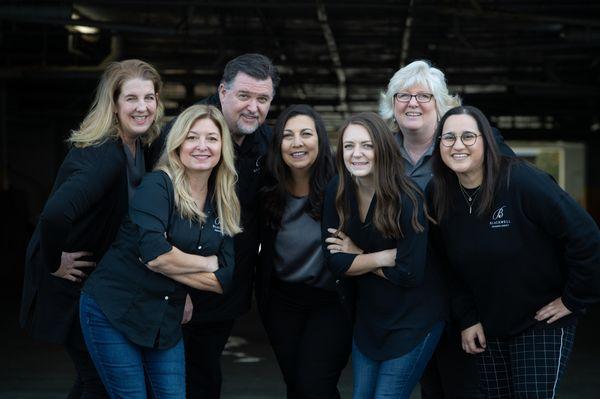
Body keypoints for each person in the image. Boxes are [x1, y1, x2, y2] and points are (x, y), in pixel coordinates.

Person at [428, 105, 600, 398]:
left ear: (486, 142)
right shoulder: (438, 192)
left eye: (468, 136)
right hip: (489, 324)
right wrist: (468, 318)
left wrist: (575, 298)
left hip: (541, 320)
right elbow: (445, 264)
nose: (458, 145)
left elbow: (586, 236)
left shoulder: (522, 181)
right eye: (448, 138)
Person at [19, 59, 164, 398]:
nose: (142, 107)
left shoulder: (138, 146)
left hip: (97, 286)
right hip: (69, 283)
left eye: (149, 97)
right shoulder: (105, 155)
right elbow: (54, 215)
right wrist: (54, 261)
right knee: (98, 380)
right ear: (113, 105)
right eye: (131, 98)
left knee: (93, 380)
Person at [79, 104, 241, 398]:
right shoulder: (158, 185)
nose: (202, 146)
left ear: (223, 147)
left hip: (165, 320)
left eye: (212, 139)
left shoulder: (225, 200)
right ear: (178, 143)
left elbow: (225, 280)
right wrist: (205, 263)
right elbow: (155, 255)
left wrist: (172, 263)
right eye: (192, 138)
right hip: (115, 309)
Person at [379, 59, 514, 398]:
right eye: (402, 95)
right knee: (431, 388)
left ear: (442, 103)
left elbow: (515, 195)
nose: (412, 103)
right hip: (406, 296)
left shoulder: (471, 142)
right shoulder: (380, 151)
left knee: (464, 387)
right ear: (391, 104)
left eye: (423, 95)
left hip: (463, 293)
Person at [154, 53, 280, 398]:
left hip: (225, 285)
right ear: (223, 91)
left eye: (263, 99)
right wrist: (178, 291)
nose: (253, 107)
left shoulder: (266, 143)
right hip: (172, 283)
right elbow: (154, 220)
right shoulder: (186, 132)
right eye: (244, 96)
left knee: (204, 373)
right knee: (159, 377)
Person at [323, 112, 445, 399]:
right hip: (370, 318)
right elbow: (336, 262)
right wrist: (383, 256)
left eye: (367, 145)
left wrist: (358, 255)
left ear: (382, 149)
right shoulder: (337, 190)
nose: (357, 154)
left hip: (415, 317)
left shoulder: (408, 197)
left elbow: (410, 273)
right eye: (349, 146)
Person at [256, 104, 352, 398]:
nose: (297, 143)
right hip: (282, 303)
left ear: (321, 140)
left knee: (315, 386)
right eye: (288, 135)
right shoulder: (266, 190)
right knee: (297, 387)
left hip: (330, 302)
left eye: (306, 134)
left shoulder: (342, 187)